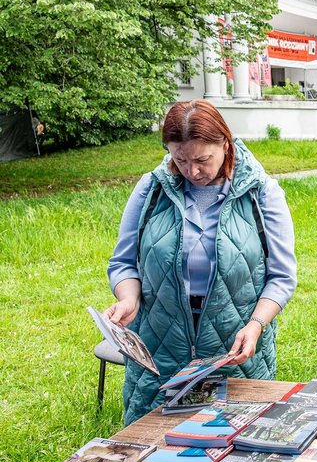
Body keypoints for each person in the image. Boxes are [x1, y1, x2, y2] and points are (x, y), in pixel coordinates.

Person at [104, 100, 297, 424]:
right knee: (153, 442)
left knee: (231, 444)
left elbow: (282, 277)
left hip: (234, 355)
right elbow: (124, 262)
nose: (192, 171)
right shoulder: (151, 189)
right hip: (160, 351)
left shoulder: (262, 193)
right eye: (180, 160)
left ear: (225, 144)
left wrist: (256, 324)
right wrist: (128, 299)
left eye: (202, 160)